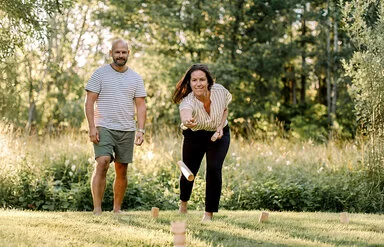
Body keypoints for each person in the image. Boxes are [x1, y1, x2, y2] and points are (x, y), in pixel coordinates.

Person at [84, 38, 147, 215]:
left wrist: (141, 130)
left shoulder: (135, 77)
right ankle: (97, 208)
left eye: (124, 52)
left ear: (128, 54)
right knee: (103, 162)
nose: (120, 55)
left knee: (122, 169)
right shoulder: (100, 74)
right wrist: (91, 127)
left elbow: (141, 105)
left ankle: (116, 209)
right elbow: (89, 102)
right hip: (103, 126)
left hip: (127, 128)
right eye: (117, 52)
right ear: (111, 53)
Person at [172, 64, 232, 221]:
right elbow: (185, 114)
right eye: (194, 80)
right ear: (189, 83)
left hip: (219, 135)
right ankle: (183, 203)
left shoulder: (220, 91)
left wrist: (220, 127)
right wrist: (187, 120)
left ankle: (208, 213)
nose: (198, 83)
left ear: (209, 81)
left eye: (202, 79)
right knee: (189, 170)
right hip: (194, 135)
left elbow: (225, 109)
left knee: (214, 169)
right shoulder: (187, 101)